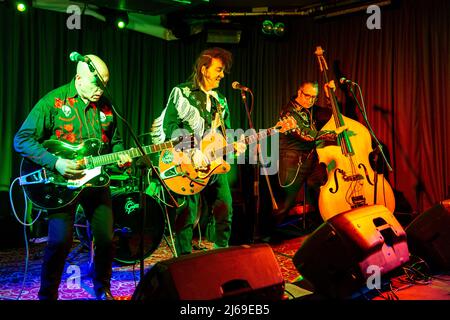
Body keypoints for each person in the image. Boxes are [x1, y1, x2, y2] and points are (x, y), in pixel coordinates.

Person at [14, 54, 131, 300]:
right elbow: (21, 139)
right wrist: (55, 161)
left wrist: (122, 156)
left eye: (104, 84)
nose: (101, 90)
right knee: (59, 242)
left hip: (96, 182)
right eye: (95, 84)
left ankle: (102, 288)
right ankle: (47, 295)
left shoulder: (107, 107)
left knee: (106, 239)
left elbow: (116, 143)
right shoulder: (53, 102)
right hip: (61, 185)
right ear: (78, 78)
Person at [151, 47, 245, 255]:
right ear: (204, 69)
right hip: (187, 164)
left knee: (225, 207)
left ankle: (222, 251)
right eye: (218, 69)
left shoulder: (220, 100)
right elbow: (170, 126)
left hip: (213, 163)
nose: (222, 74)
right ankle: (183, 258)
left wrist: (236, 144)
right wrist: (192, 151)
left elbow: (227, 131)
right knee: (186, 213)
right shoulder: (181, 92)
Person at [272, 81, 344, 229]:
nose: (310, 100)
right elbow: (305, 134)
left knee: (321, 196)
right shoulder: (288, 112)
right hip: (292, 160)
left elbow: (334, 113)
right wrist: (331, 134)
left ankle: (321, 230)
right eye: (308, 96)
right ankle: (263, 237)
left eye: (314, 97)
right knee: (285, 203)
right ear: (299, 93)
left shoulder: (312, 108)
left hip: (312, 159)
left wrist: (330, 95)